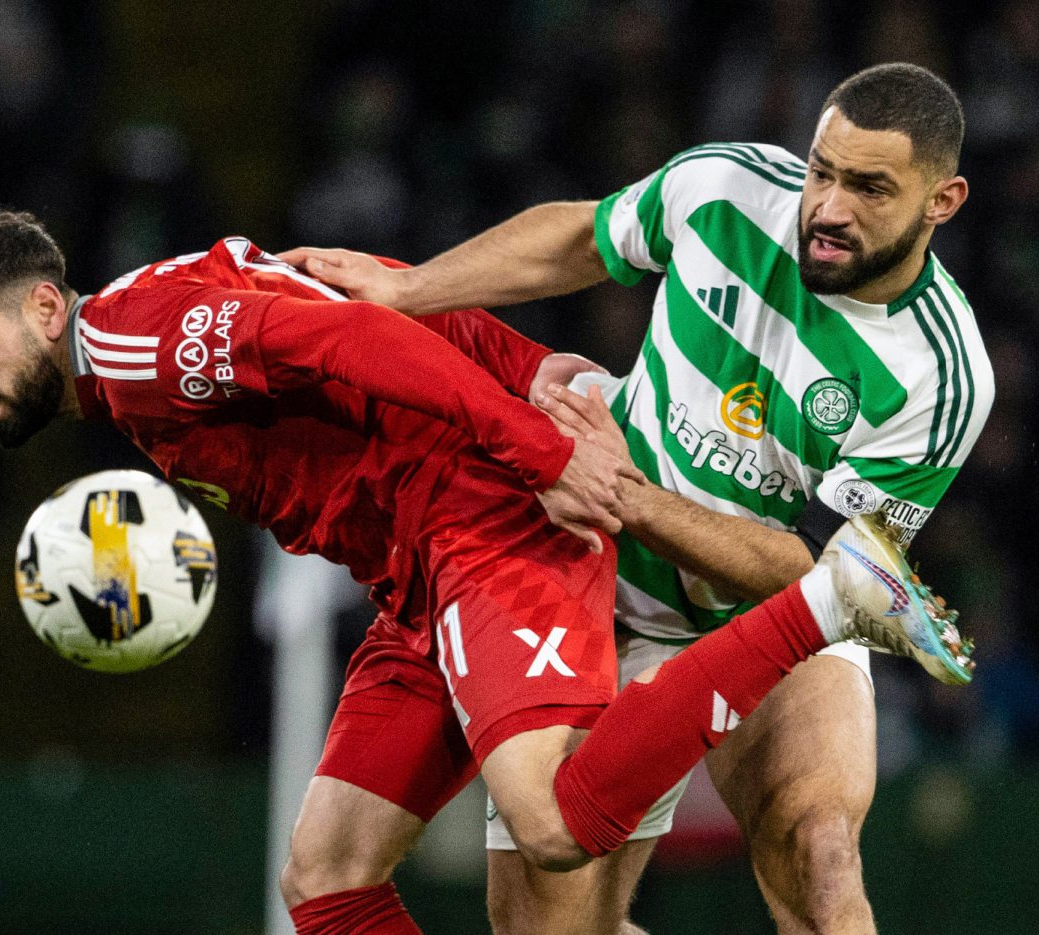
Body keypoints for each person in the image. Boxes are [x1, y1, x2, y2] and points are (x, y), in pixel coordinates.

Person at [0, 207, 970, 935]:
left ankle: (831, 597)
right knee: (325, 875)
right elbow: (359, 300)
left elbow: (350, 347)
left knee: (551, 822)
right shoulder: (150, 326)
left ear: (43, 308)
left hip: (481, 522)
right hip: (412, 577)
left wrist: (537, 444)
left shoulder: (132, 344)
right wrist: (524, 361)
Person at [284, 62, 995, 933]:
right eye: (822, 170)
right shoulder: (727, 190)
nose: (829, 208)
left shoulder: (943, 378)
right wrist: (410, 289)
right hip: (585, 586)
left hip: (761, 613)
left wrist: (626, 493)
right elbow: (584, 239)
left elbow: (810, 573)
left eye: (870, 188)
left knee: (821, 857)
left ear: (943, 201)